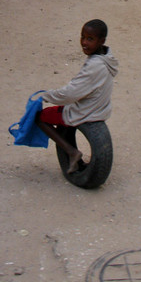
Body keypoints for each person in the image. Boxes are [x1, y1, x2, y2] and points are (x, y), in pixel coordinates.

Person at [36, 19, 118, 174]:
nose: (84, 43)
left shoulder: (94, 67)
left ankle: (71, 152)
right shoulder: (108, 58)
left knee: (39, 117)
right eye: (82, 37)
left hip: (84, 111)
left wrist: (46, 96)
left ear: (102, 41)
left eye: (90, 39)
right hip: (101, 109)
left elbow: (69, 94)